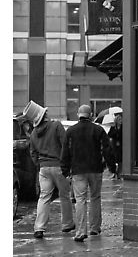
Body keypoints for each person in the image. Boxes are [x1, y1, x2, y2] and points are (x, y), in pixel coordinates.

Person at [60, 104, 112, 242]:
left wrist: (65, 170)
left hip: (78, 170)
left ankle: (81, 231)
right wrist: (111, 166)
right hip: (95, 169)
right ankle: (95, 228)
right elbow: (107, 149)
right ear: (91, 115)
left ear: (78, 114)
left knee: (80, 200)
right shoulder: (98, 130)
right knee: (95, 197)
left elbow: (65, 152)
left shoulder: (70, 131)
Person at [24, 100, 75, 239]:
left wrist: (39, 165)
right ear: (44, 115)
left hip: (43, 168)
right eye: (46, 112)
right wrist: (67, 165)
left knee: (44, 197)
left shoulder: (34, 133)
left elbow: (33, 153)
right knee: (64, 195)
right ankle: (67, 224)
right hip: (59, 166)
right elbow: (65, 146)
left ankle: (39, 228)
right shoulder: (56, 125)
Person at [107, 107, 123, 179]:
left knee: (120, 160)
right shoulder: (113, 128)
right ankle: (114, 172)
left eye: (121, 119)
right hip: (114, 146)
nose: (120, 121)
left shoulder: (123, 127)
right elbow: (110, 135)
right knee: (114, 159)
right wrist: (115, 130)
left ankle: (119, 172)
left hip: (121, 145)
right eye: (119, 119)